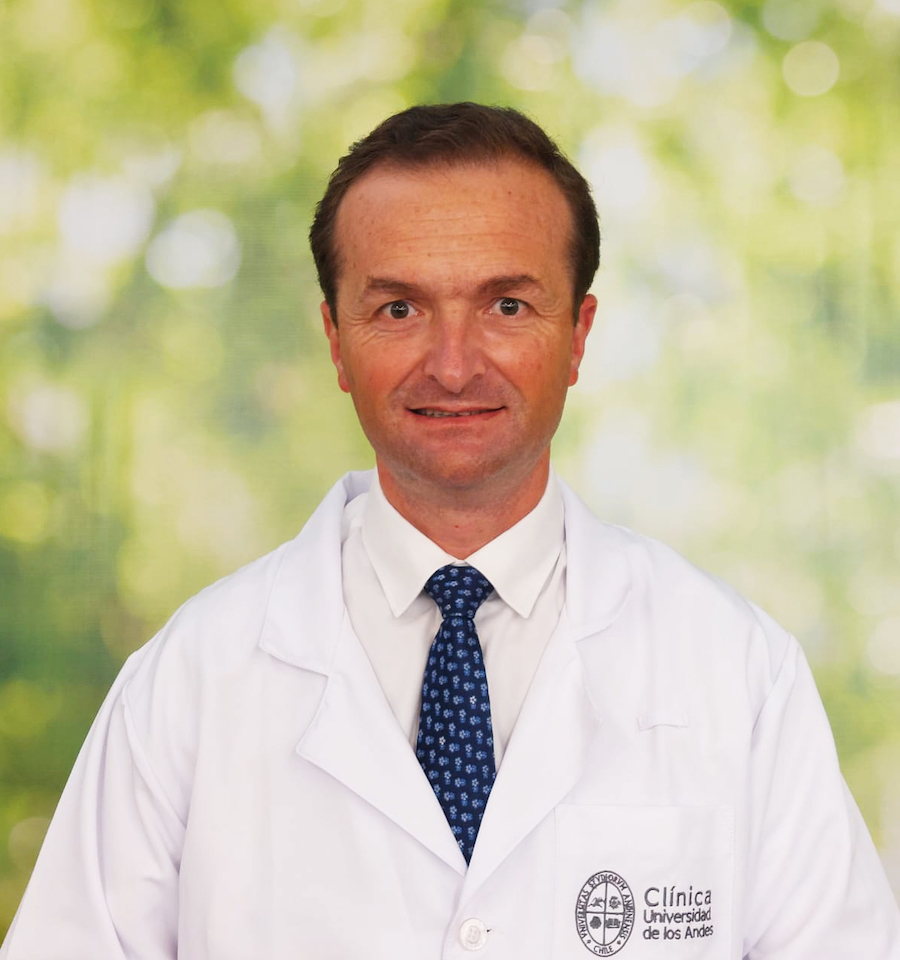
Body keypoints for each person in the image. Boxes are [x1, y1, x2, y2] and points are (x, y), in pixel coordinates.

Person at [2, 102, 898, 960]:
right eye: (400, 308)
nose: (455, 365)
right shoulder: (188, 683)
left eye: (507, 306)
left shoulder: (738, 673)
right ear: (335, 338)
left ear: (579, 334)